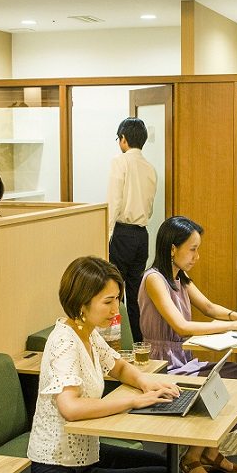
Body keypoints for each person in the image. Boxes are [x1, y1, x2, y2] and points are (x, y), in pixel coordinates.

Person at [28, 256, 180, 473]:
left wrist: (146, 383)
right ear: (81, 303)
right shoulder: (64, 343)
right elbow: (70, 408)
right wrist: (133, 402)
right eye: (108, 302)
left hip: (86, 453)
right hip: (58, 471)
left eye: (117, 300)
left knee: (165, 467)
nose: (115, 310)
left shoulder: (88, 332)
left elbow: (118, 366)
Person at [138, 215, 237, 473]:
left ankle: (208, 450)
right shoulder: (154, 279)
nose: (197, 256)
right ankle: (193, 457)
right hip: (161, 365)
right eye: (193, 249)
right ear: (172, 249)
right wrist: (233, 326)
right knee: (224, 384)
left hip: (182, 359)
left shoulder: (180, 277)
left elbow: (208, 307)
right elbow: (182, 326)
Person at [106, 117, 159, 342]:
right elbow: (150, 208)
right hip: (141, 235)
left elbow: (114, 201)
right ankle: (137, 343)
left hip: (121, 234)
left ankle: (117, 342)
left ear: (123, 138)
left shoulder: (120, 161)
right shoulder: (150, 168)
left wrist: (107, 235)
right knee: (136, 294)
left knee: (114, 293)